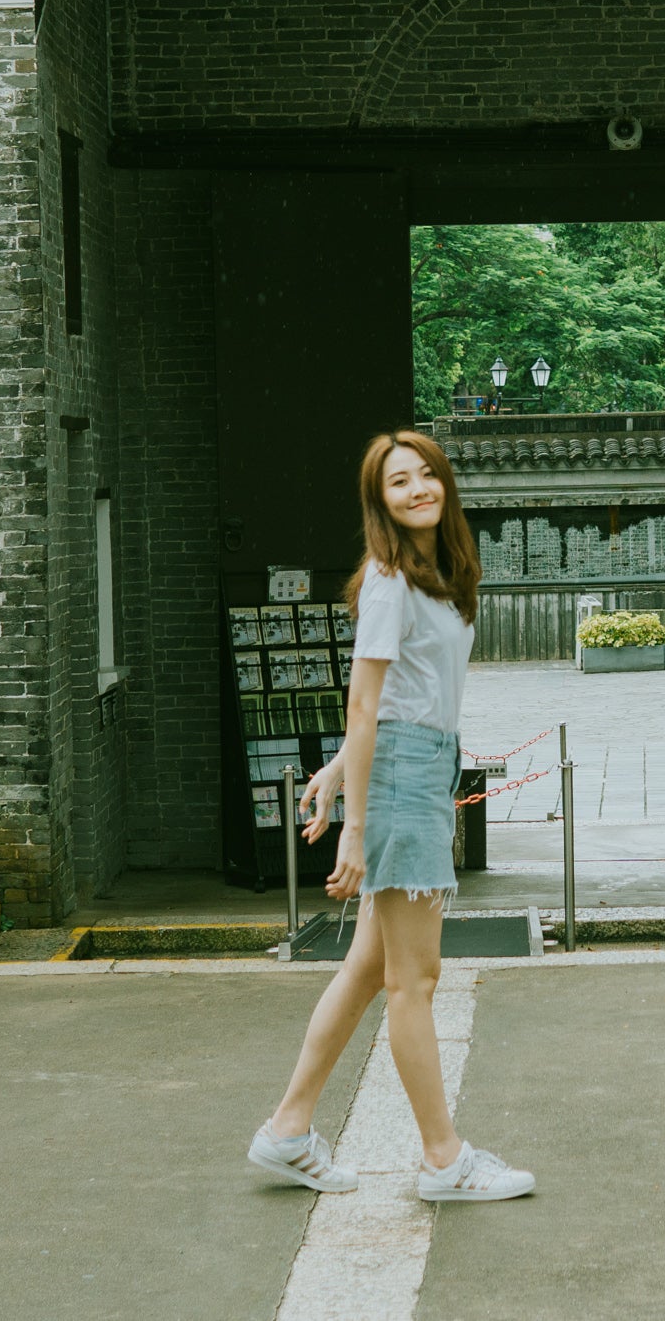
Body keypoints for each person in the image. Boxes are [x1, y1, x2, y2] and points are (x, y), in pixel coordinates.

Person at [248, 430, 536, 1205]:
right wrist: (355, 823)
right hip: (403, 779)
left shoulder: (437, 575)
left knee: (368, 969)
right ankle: (444, 1160)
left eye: (425, 474)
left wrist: (338, 769)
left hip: (420, 763)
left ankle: (287, 1129)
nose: (417, 488)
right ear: (379, 502)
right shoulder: (387, 580)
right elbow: (365, 703)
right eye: (397, 481)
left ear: (444, 482)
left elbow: (397, 699)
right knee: (415, 979)